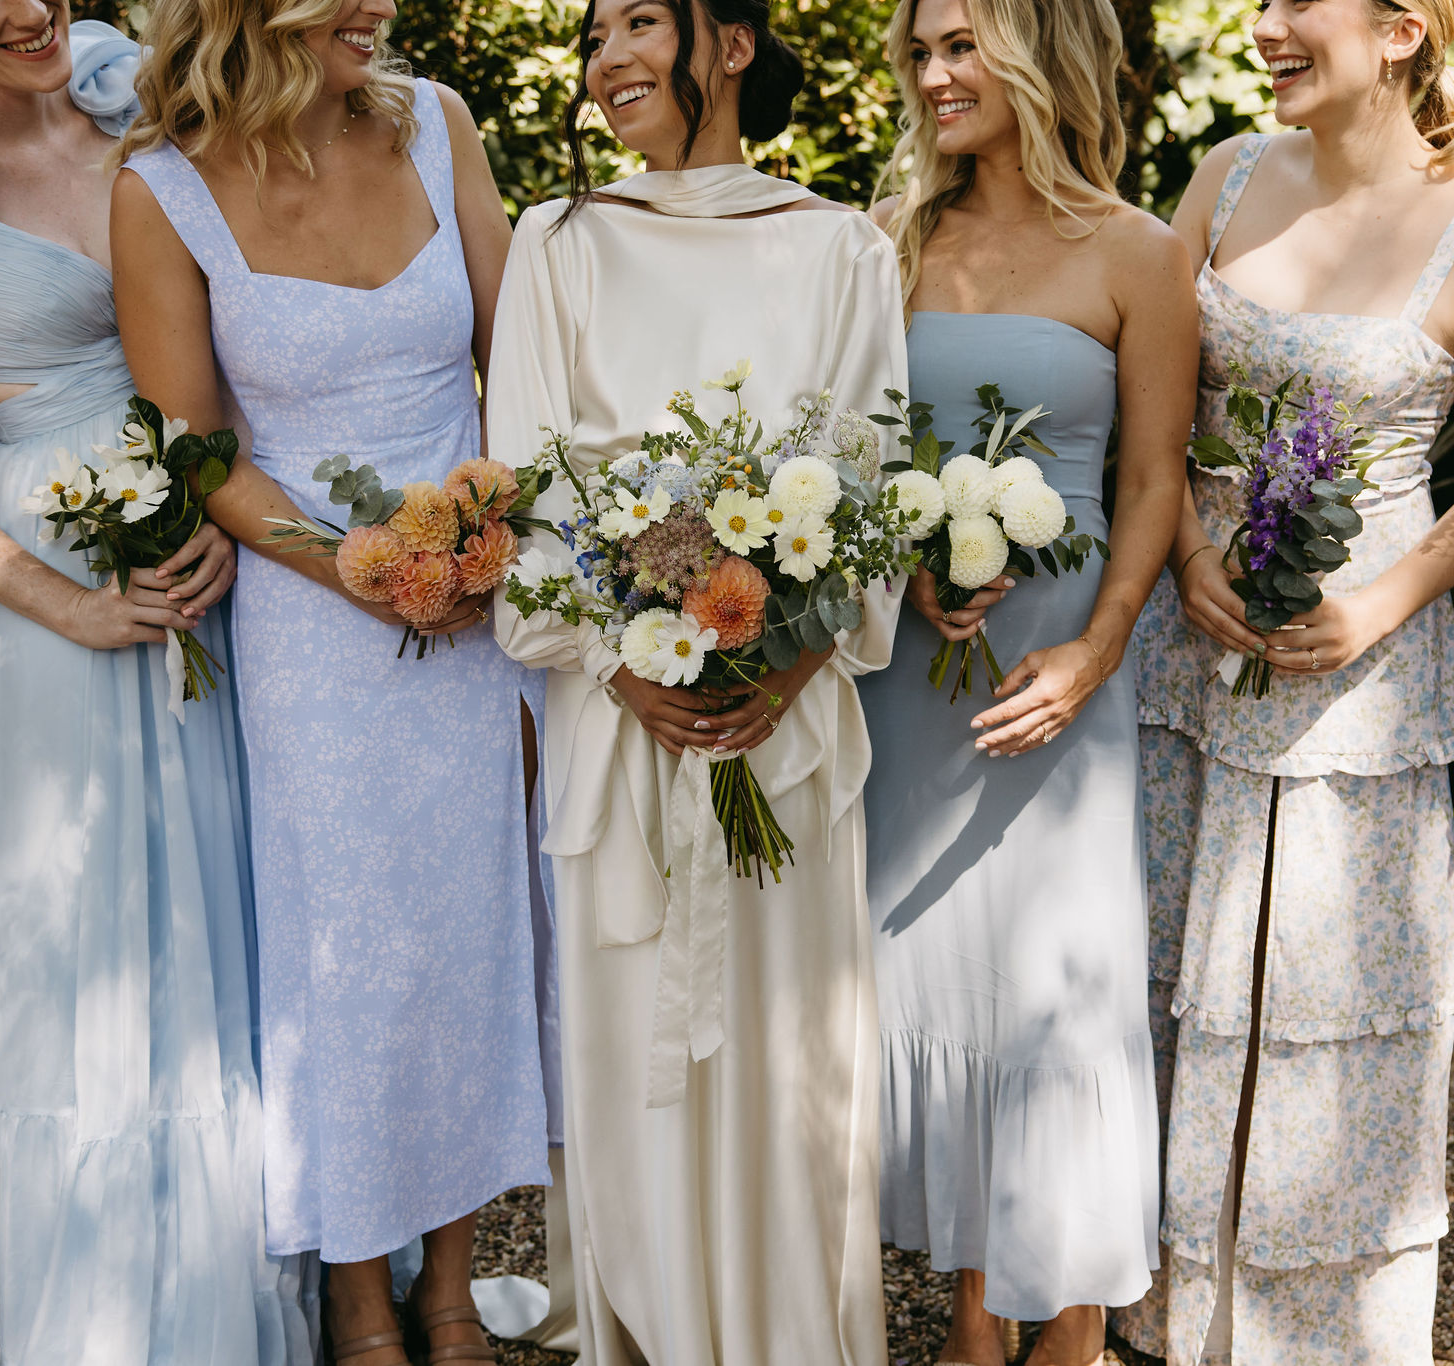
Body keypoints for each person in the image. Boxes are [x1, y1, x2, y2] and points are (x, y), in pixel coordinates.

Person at [0, 6, 309, 1362]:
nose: (22, 5)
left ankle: (240, 1299)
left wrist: (227, 495)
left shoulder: (139, 100)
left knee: (221, 921)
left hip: (214, 562)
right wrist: (71, 608)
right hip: (46, 593)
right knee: (81, 948)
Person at [1113, 0, 1454, 1355]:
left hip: (1360, 659)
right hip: (1194, 639)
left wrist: (1377, 601)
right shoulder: (1226, 176)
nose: (1266, 27)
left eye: (1298, 4)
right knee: (1170, 964)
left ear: (1406, 29)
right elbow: (1156, 392)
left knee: (1326, 989)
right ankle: (1162, 1303)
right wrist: (1185, 547)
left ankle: (1317, 1328)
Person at [111, 0, 550, 1361]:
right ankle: (357, 1288)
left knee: (473, 930)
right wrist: (348, 561)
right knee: (344, 949)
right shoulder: (160, 190)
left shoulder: (439, 128)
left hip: (479, 610)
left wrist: (490, 539)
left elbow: (524, 355)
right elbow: (194, 450)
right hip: (313, 629)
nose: (382, 9)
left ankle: (451, 1280)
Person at [486, 0, 907, 1359]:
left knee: (790, 1049)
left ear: (726, 43)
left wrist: (788, 652)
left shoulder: (843, 245)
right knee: (632, 1054)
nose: (606, 57)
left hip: (779, 716)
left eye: (637, 23)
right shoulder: (558, 240)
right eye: (593, 34)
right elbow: (528, 486)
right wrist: (623, 658)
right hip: (621, 717)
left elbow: (870, 480)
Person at [857, 0, 1194, 1359]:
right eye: (921, 53)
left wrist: (1097, 647)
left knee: (1053, 979)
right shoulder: (887, 243)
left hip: (1062, 677)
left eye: (962, 46)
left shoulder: (1138, 251)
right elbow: (856, 447)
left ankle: (1063, 1316)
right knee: (932, 980)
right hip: (913, 671)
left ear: (1038, 55)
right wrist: (905, 570)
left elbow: (1156, 479)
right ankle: (974, 1306)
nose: (936, 75)